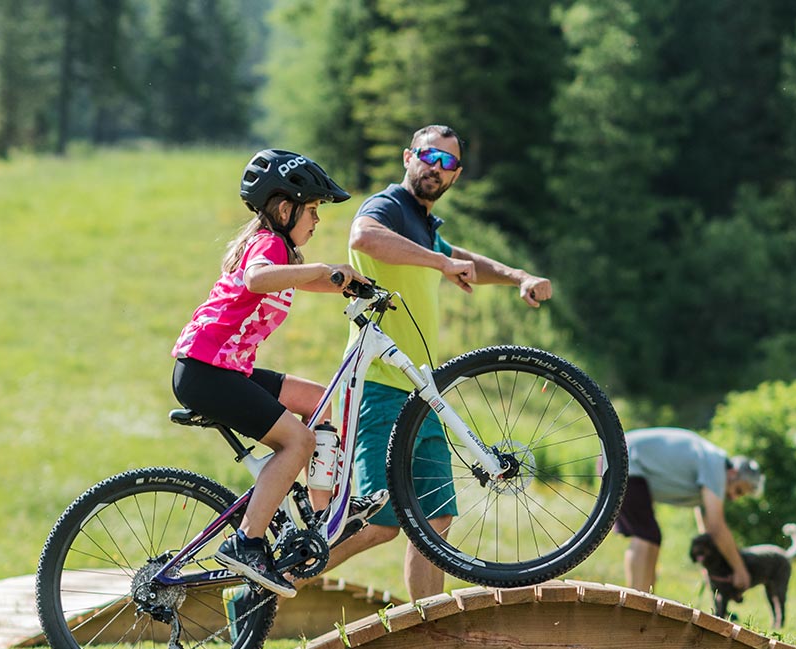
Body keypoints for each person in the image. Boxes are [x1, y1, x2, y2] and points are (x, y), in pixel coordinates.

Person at [322, 125, 555, 600]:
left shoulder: (424, 226)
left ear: (457, 175)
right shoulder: (389, 206)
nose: (437, 168)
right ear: (409, 156)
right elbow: (363, 238)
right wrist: (440, 263)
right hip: (380, 386)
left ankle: (427, 634)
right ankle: (276, 582)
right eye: (429, 156)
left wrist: (518, 277)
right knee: (380, 519)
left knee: (435, 521)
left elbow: (460, 258)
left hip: (421, 391)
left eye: (448, 163)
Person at [171, 149, 376, 599]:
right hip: (206, 371)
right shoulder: (269, 246)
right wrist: (326, 270)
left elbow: (310, 281)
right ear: (285, 209)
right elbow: (257, 280)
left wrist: (356, 284)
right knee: (297, 441)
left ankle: (323, 519)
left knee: (324, 401)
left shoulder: (284, 250)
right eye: (314, 209)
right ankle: (246, 541)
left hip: (226, 369)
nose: (318, 220)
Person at [613, 428, 764, 593]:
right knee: (645, 535)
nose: (734, 497)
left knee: (651, 536)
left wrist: (709, 562)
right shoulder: (716, 467)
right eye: (739, 490)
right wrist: (740, 569)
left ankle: (645, 600)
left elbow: (707, 532)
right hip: (625, 459)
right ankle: (635, 602)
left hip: (625, 460)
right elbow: (716, 527)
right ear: (733, 473)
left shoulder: (712, 470)